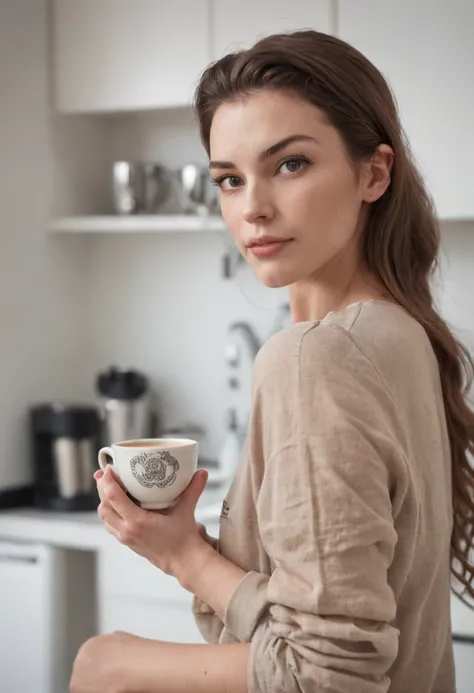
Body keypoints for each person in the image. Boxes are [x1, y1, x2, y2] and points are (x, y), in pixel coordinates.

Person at [70, 30, 474, 693]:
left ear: (374, 172)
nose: (252, 206)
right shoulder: (403, 334)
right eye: (229, 179)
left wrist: (112, 662)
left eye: (289, 164)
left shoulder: (317, 359)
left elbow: (327, 675)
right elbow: (328, 634)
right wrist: (183, 552)